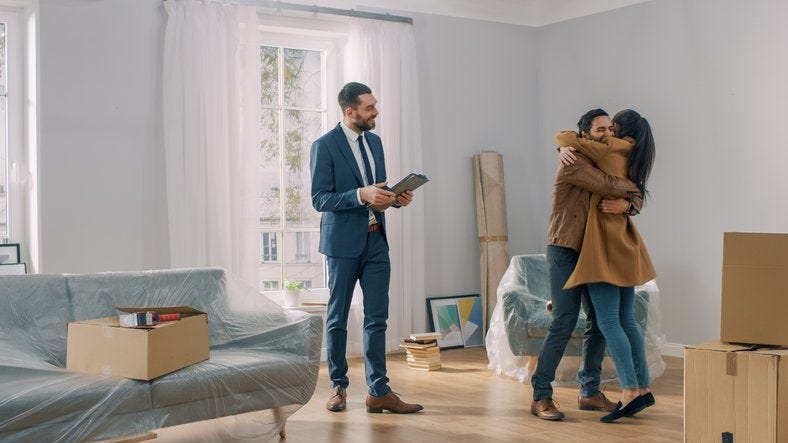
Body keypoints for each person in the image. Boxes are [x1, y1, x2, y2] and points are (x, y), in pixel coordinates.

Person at [310, 82, 422, 414]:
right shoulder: (325, 146)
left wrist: (396, 199)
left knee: (377, 318)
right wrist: (361, 195)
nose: (376, 112)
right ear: (350, 111)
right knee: (338, 317)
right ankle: (338, 387)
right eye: (369, 107)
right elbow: (320, 199)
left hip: (376, 242)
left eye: (375, 105)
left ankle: (379, 391)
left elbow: (379, 192)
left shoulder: (374, 142)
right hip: (341, 245)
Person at [531, 109, 643, 421]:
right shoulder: (573, 161)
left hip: (594, 250)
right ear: (584, 136)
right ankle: (541, 395)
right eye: (600, 130)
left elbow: (629, 189)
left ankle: (590, 391)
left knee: (599, 321)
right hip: (565, 249)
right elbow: (609, 184)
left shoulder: (605, 157)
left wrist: (630, 203)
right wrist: (632, 193)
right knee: (564, 320)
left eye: (611, 129)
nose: (608, 134)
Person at [555, 109, 657, 423]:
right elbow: (635, 193)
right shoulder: (634, 155)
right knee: (627, 320)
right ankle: (640, 388)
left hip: (604, 247)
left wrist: (563, 143)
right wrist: (630, 201)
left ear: (617, 130)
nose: (607, 134)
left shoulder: (609, 149)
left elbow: (573, 138)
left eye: (609, 127)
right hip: (625, 244)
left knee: (609, 321)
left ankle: (628, 391)